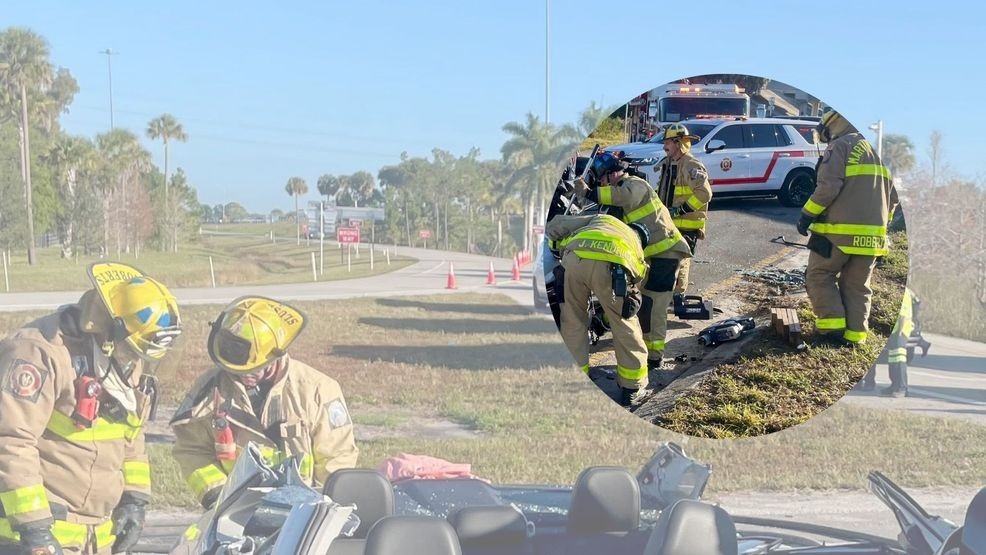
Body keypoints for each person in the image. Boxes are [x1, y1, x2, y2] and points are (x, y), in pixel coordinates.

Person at [0, 262, 182, 555]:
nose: (135, 362)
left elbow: (131, 433)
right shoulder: (38, 353)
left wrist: (135, 500)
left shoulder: (122, 359)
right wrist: (35, 532)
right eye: (132, 352)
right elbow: (10, 440)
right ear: (109, 330)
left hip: (96, 537)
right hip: (33, 536)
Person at [171, 296, 359, 510]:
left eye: (253, 369)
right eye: (234, 370)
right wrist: (218, 497)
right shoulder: (210, 391)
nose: (244, 377)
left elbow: (337, 458)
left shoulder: (317, 390)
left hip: (303, 513)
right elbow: (192, 451)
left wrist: (321, 510)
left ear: (276, 355)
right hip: (236, 511)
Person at [574, 152, 692, 368]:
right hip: (651, 258)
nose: (600, 184)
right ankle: (610, 325)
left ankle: (655, 357)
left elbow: (620, 197)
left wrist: (590, 193)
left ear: (610, 175)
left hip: (666, 254)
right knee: (637, 300)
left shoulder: (634, 184)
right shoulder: (620, 193)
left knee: (654, 306)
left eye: (601, 180)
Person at [797, 110, 899, 346]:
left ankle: (832, 330)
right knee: (858, 286)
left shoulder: (840, 145)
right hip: (873, 239)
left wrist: (806, 215)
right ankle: (855, 338)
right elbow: (892, 200)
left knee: (819, 275)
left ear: (834, 124)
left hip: (837, 234)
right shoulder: (879, 151)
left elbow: (827, 188)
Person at [545, 212, 651, 406]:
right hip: (611, 266)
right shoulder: (634, 244)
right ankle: (632, 387)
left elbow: (560, 223)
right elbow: (638, 276)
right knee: (624, 321)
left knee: (573, 321)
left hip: (573, 259)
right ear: (641, 238)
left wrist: (553, 242)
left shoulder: (606, 219)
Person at [653, 123, 714, 296]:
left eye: (668, 143)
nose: (664, 147)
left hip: (686, 225)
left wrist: (679, 210)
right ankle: (669, 297)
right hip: (670, 224)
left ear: (678, 143)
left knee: (680, 262)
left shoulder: (691, 165)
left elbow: (704, 193)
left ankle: (677, 298)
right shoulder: (670, 163)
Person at [861, 287, 915, 396]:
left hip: (900, 331)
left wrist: (899, 332)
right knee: (893, 359)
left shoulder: (904, 292)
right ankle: (894, 386)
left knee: (898, 359)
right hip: (895, 331)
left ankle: (901, 388)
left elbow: (903, 314)